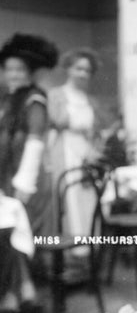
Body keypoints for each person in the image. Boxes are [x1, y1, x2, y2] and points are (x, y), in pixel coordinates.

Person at [0, 33, 58, 309]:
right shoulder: (11, 99)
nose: (13, 74)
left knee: (14, 230)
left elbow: (35, 142)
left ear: (30, 72)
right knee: (9, 231)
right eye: (9, 69)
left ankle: (16, 294)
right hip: (10, 175)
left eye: (19, 69)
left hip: (29, 180)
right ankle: (24, 289)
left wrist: (24, 184)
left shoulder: (34, 100)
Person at [47, 48, 104, 251]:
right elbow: (55, 122)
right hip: (64, 152)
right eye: (78, 68)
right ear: (68, 69)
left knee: (86, 201)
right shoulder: (56, 95)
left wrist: (93, 151)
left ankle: (87, 255)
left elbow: (98, 131)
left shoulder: (90, 100)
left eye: (87, 71)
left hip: (85, 153)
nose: (83, 74)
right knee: (67, 201)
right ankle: (70, 257)